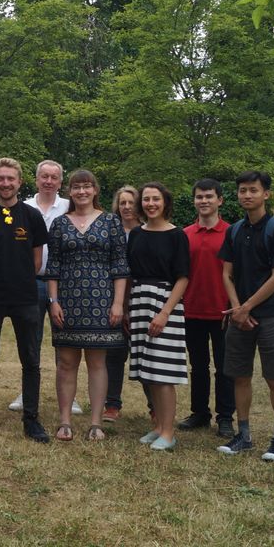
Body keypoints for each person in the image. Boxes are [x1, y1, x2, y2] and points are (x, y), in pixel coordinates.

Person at [0, 157, 50, 443]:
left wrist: (19, 278)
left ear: (19, 181)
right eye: (0, 179)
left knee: (31, 360)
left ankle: (32, 420)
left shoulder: (32, 216)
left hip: (25, 296)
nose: (6, 183)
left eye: (10, 179)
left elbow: (37, 260)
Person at [44, 170, 129, 442]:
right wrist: (53, 301)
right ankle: (65, 420)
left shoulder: (111, 222)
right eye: (77, 187)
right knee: (66, 363)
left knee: (97, 362)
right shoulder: (59, 223)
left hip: (102, 299)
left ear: (95, 190)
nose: (82, 191)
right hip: (67, 300)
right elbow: (53, 266)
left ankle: (95, 423)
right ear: (70, 191)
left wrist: (118, 303)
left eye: (87, 187)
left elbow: (120, 265)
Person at [218, 170, 274, 462]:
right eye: (242, 191)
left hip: (270, 314)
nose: (247, 195)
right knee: (240, 375)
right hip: (240, 314)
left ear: (266, 194)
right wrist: (238, 309)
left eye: (253, 190)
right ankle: (244, 435)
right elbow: (226, 274)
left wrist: (246, 307)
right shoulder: (234, 230)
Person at [11, 159, 78, 415]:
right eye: (44, 177)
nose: (49, 181)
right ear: (36, 179)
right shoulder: (23, 207)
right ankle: (27, 391)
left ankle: (68, 395)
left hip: (64, 284)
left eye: (54, 177)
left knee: (65, 340)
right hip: (31, 281)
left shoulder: (69, 207)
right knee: (30, 339)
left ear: (61, 182)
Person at [126, 181, 189, 451]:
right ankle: (157, 427)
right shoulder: (137, 234)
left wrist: (165, 312)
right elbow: (129, 273)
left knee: (162, 372)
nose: (151, 204)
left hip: (165, 302)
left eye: (156, 199)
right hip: (139, 301)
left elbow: (183, 278)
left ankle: (169, 432)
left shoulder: (177, 235)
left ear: (165, 203)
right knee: (147, 371)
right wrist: (128, 307)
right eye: (147, 199)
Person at [179, 179, 235, 439]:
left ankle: (225, 417)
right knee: (198, 366)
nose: (204, 201)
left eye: (209, 196)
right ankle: (200, 413)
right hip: (191, 310)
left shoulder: (232, 233)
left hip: (223, 312)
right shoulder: (185, 234)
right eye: (199, 196)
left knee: (225, 367)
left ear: (220, 200)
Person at [101, 185, 144, 423]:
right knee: (115, 354)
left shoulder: (148, 231)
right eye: (122, 203)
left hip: (143, 301)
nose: (126, 207)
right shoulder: (109, 231)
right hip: (114, 300)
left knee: (145, 355)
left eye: (131, 202)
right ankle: (112, 404)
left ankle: (154, 406)